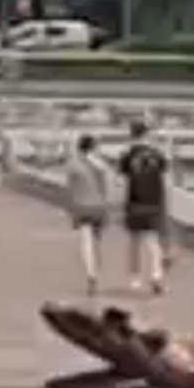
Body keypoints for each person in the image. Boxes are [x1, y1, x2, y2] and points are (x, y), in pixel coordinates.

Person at [116, 119, 173, 301]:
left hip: (134, 202)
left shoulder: (127, 154)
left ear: (131, 135)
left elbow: (121, 176)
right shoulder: (157, 154)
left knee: (134, 241)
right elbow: (165, 170)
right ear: (147, 134)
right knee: (153, 241)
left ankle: (135, 278)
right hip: (154, 201)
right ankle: (156, 275)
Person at [59, 122, 118, 295]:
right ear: (94, 147)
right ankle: (96, 269)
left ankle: (91, 275)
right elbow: (107, 188)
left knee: (85, 243)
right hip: (99, 207)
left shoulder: (72, 164)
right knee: (97, 242)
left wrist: (69, 208)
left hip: (82, 207)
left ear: (79, 147)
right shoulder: (100, 165)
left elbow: (69, 189)